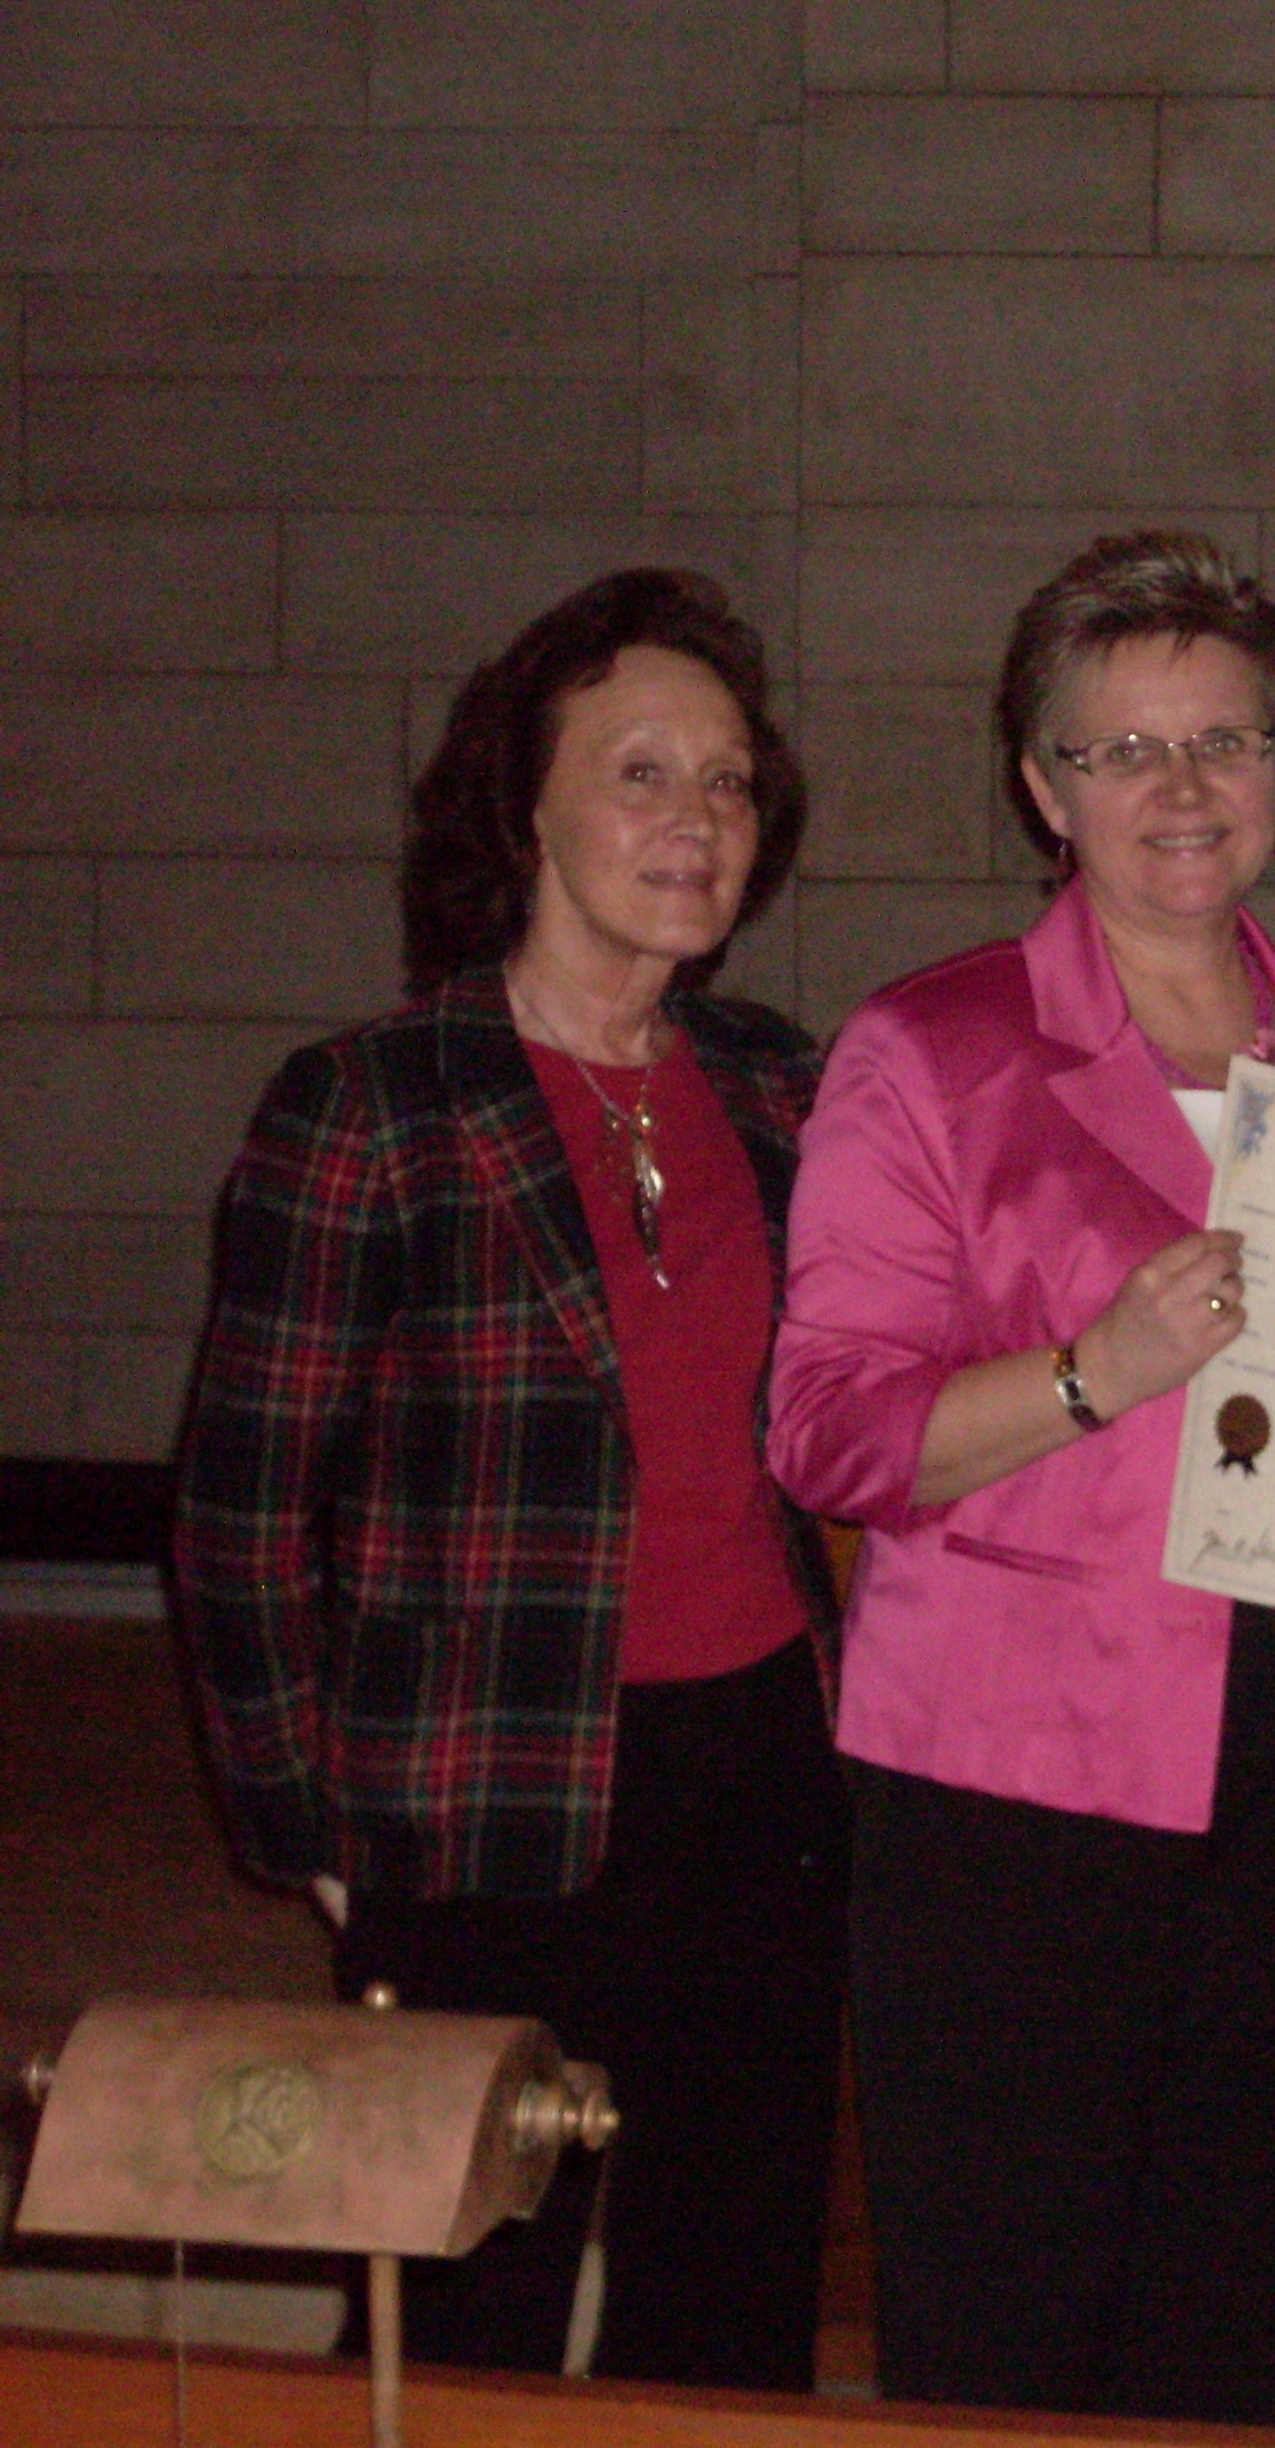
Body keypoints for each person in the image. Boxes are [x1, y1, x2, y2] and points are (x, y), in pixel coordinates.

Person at [765, 530, 1275, 2425]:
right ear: (1042, 784)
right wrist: (1096, 1374)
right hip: (1015, 1787)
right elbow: (828, 1431)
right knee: (1008, 2327)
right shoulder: (930, 1053)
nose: (1181, 791)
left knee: (1245, 2324)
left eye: (1225, 743)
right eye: (1122, 750)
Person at [172, 569, 846, 2389]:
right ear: (523, 808)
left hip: (765, 1772)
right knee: (464, 2294)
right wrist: (300, 1823)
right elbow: (240, 1511)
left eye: (728, 783)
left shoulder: (787, 1086)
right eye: (643, 773)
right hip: (483, 1792)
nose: (696, 821)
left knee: (736, 2286)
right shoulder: (374, 1101)